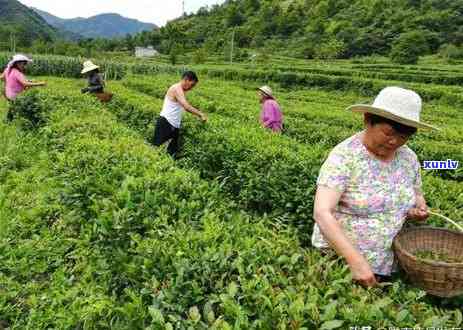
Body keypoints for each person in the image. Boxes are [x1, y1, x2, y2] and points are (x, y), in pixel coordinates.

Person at [311, 87, 438, 288]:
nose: (395, 141)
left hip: (389, 262)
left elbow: (416, 194)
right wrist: (355, 261)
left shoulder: (409, 158)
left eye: (404, 136)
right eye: (388, 132)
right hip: (343, 263)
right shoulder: (344, 157)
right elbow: (322, 212)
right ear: (368, 120)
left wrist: (417, 210)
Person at [153, 71, 207, 158]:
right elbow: (186, 106)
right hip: (166, 123)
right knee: (158, 152)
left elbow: (180, 107)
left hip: (174, 125)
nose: (191, 88)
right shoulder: (176, 88)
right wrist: (200, 114)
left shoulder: (181, 90)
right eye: (192, 85)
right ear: (186, 80)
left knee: (171, 153)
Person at [1, 54, 46, 121]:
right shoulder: (17, 73)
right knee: (23, 105)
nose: (25, 66)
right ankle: (20, 120)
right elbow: (25, 84)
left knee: (12, 107)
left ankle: (8, 120)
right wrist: (40, 84)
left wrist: (9, 82)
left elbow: (2, 77)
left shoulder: (8, 69)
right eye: (24, 64)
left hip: (8, 94)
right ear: (18, 63)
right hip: (15, 95)